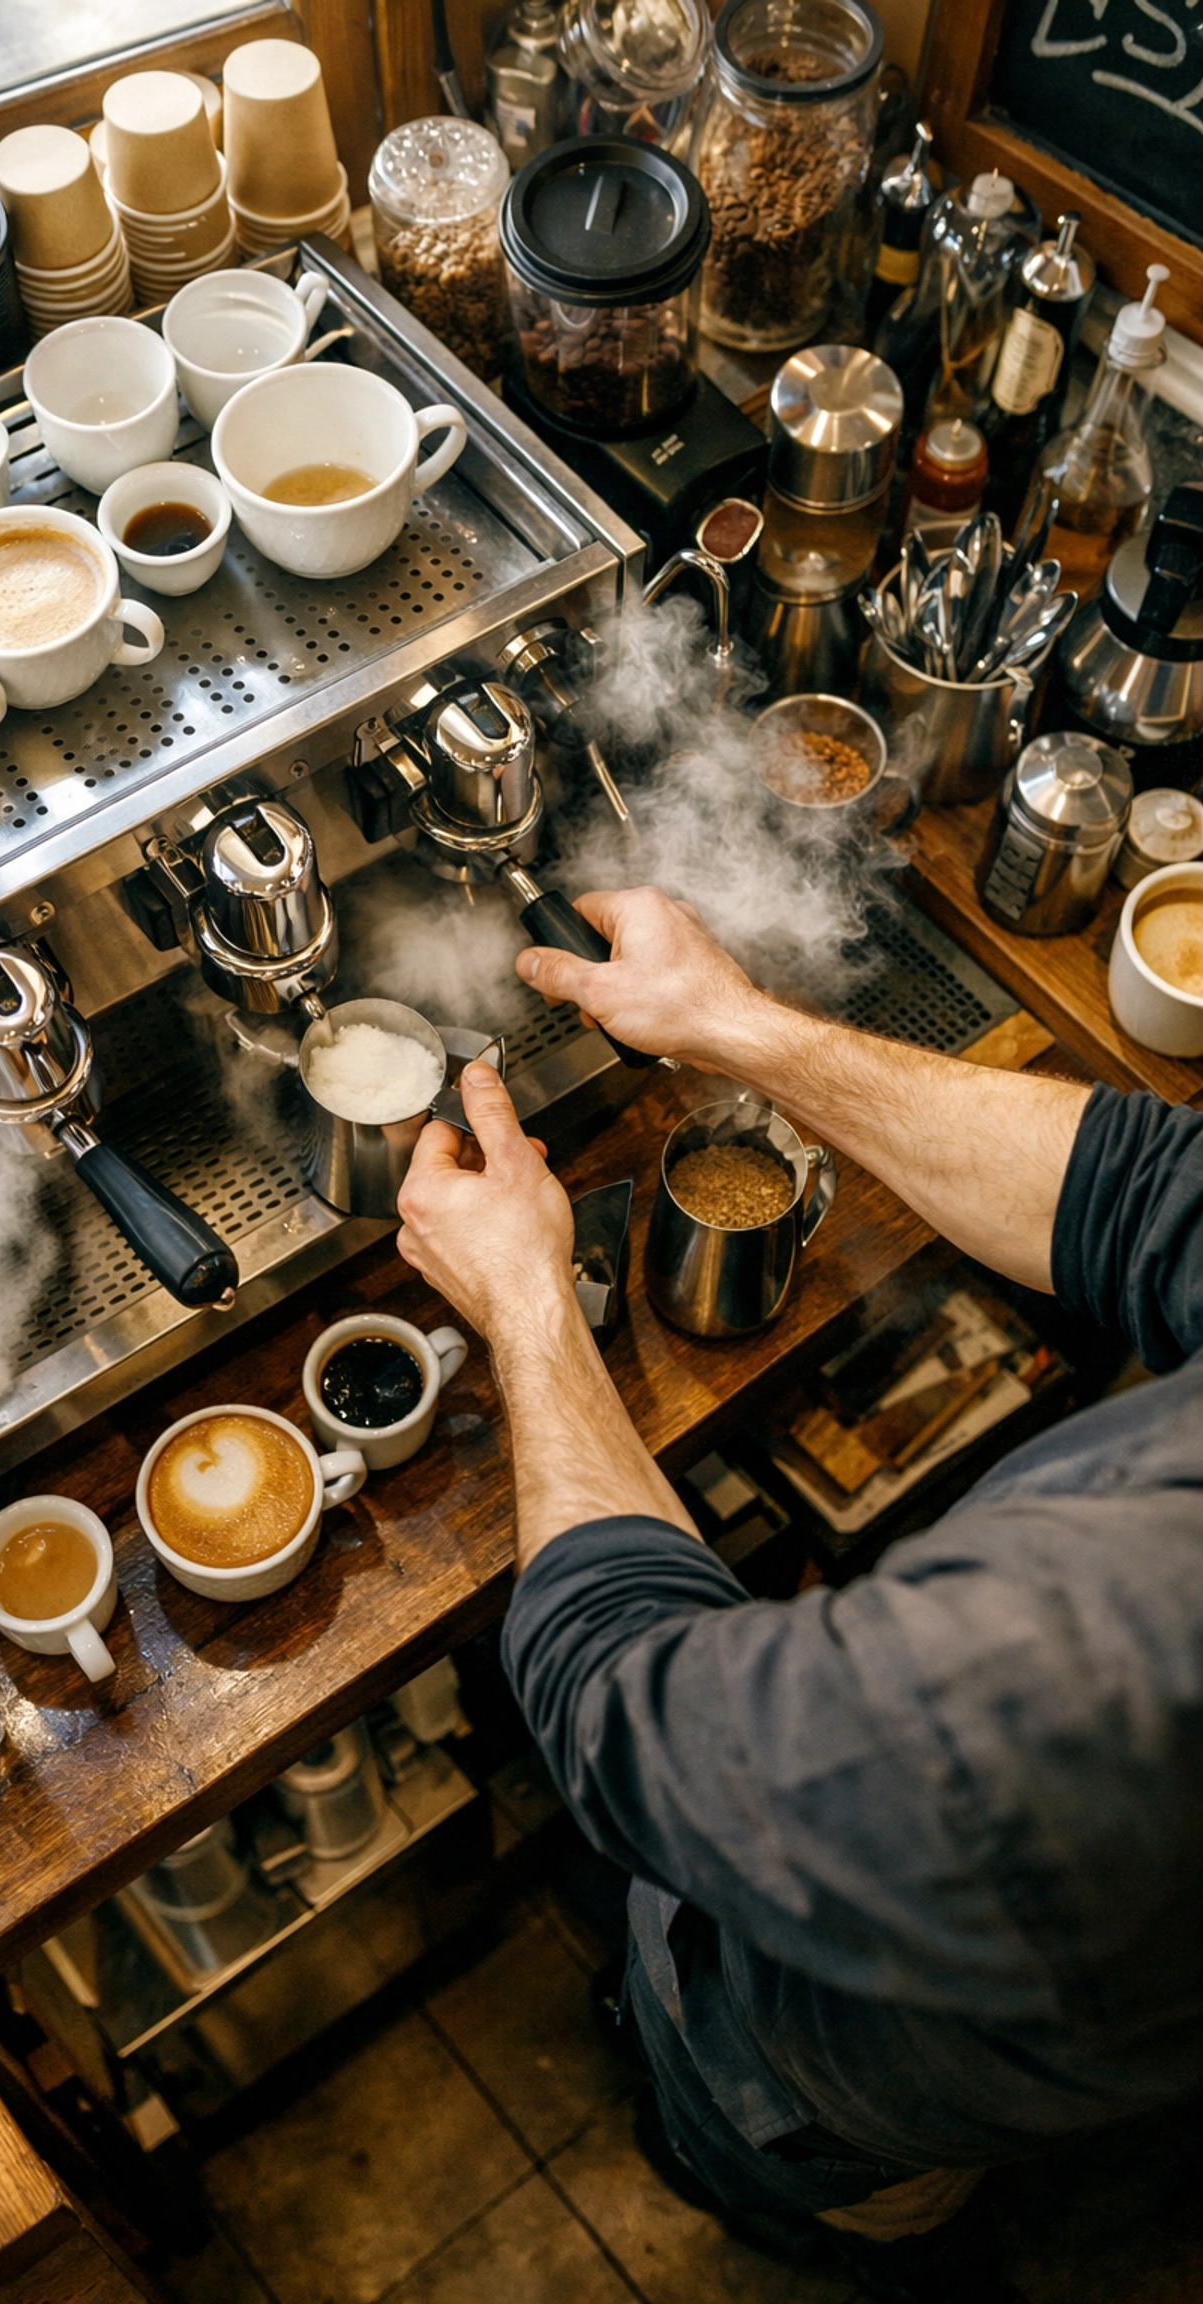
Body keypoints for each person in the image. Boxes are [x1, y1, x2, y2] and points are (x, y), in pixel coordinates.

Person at [394, 885, 1203, 2304]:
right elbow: (1147, 1196)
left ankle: (811, 2213)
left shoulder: (1112, 1668)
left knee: (793, 2157)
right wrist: (730, 1023)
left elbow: (622, 1702)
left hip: (838, 2067)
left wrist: (527, 1296)